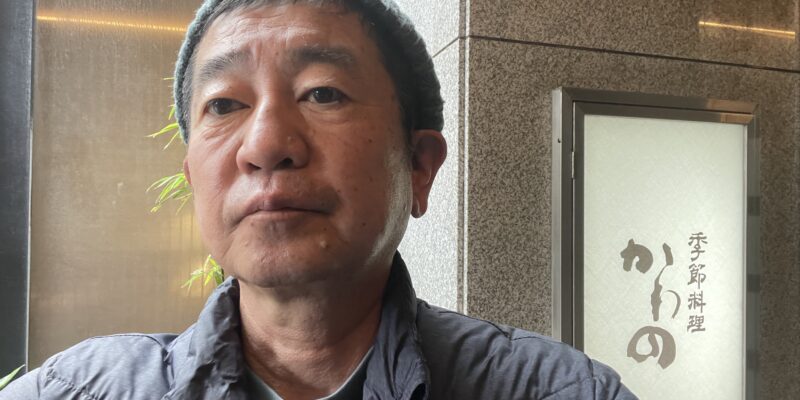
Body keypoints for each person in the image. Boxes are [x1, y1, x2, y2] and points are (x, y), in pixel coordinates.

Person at [2, 0, 637, 398]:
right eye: (224, 104)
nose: (265, 144)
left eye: (323, 93)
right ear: (193, 178)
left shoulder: (556, 391)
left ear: (419, 167)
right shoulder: (71, 390)